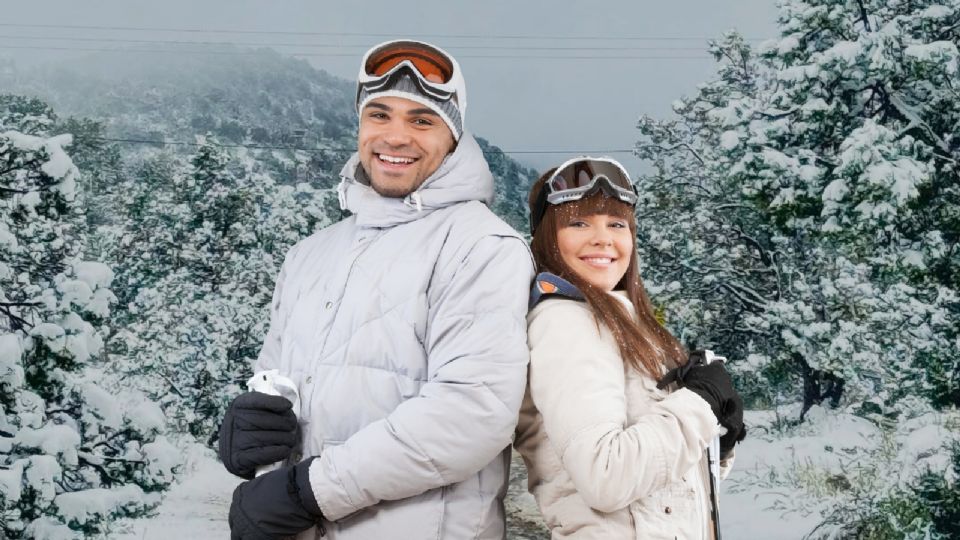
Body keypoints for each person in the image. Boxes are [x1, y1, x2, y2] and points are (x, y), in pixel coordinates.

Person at [217, 39, 535, 540]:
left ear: (452, 137)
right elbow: (275, 379)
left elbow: (471, 414)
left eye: (422, 121)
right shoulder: (310, 254)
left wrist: (308, 491)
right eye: (379, 115)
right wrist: (250, 426)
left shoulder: (483, 246)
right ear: (360, 125)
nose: (396, 137)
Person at [513, 157, 746, 539]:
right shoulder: (566, 322)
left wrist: (715, 441)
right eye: (578, 222)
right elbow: (606, 477)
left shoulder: (622, 322)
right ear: (546, 238)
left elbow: (659, 499)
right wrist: (700, 402)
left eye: (616, 224)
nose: (603, 238)